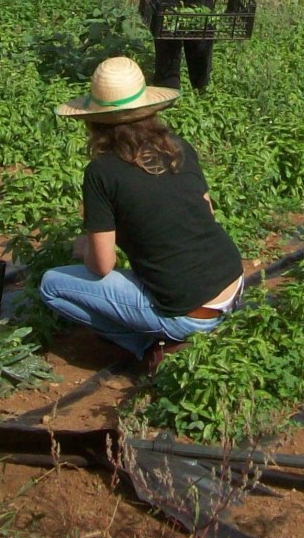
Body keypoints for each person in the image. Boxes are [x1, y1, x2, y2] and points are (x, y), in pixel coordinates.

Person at [39, 56, 245, 366]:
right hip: (233, 285)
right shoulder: (177, 146)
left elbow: (103, 265)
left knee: (51, 285)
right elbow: (208, 212)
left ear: (94, 121)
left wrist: (84, 250)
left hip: (189, 313)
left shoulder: (101, 172)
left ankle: (147, 348)